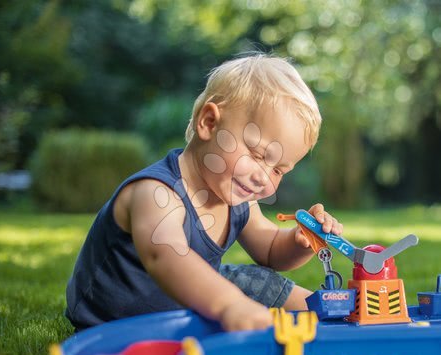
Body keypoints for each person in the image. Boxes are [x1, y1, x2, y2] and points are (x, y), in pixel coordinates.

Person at [65, 53, 343, 332]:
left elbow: (270, 250)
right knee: (232, 289)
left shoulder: (238, 200)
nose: (263, 177)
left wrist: (300, 241)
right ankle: (294, 311)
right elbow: (166, 257)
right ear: (209, 123)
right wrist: (229, 305)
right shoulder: (156, 193)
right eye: (258, 155)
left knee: (256, 281)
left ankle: (333, 311)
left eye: (279, 170)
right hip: (114, 322)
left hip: (187, 303)